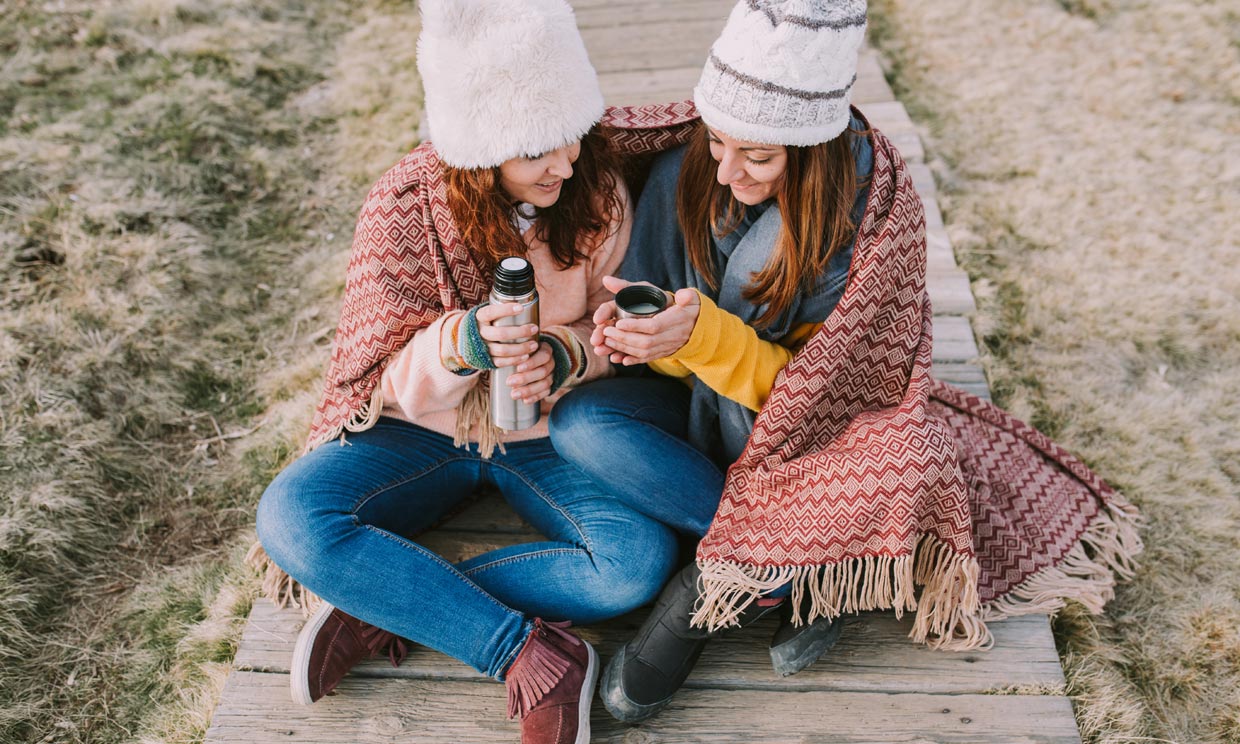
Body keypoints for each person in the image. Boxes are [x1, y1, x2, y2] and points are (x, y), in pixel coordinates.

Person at [249, 2, 680, 741]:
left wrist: (568, 355)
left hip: (549, 435)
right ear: (482, 150)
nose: (565, 162)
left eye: (570, 136)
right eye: (538, 148)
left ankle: (386, 600)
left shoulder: (598, 193)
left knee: (635, 565)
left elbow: (615, 329)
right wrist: (463, 346)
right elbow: (376, 377)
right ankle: (528, 652)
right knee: (290, 518)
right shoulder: (405, 207)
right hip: (422, 432)